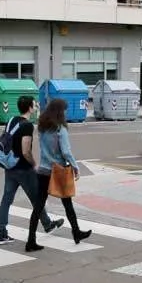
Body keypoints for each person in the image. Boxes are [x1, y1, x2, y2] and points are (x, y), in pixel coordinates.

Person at [26, 98, 92, 252]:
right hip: (58, 171)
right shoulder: (60, 129)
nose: (66, 113)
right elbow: (66, 151)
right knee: (67, 204)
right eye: (65, 110)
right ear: (60, 112)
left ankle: (31, 240)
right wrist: (75, 167)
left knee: (38, 207)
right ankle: (76, 232)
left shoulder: (42, 127)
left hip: (43, 170)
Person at [0, 95, 63, 245]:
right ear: (30, 108)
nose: (36, 106)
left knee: (6, 200)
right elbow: (26, 151)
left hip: (10, 167)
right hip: (24, 169)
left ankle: (1, 233)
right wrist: (34, 165)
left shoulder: (12, 120)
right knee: (37, 199)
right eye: (34, 104)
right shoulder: (27, 126)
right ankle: (47, 225)